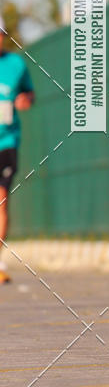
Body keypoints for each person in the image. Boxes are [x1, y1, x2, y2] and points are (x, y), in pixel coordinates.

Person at [0, 15, 35, 284]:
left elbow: (29, 93)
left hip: (6, 142)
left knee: (1, 200)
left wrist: (26, 99)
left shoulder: (16, 65)